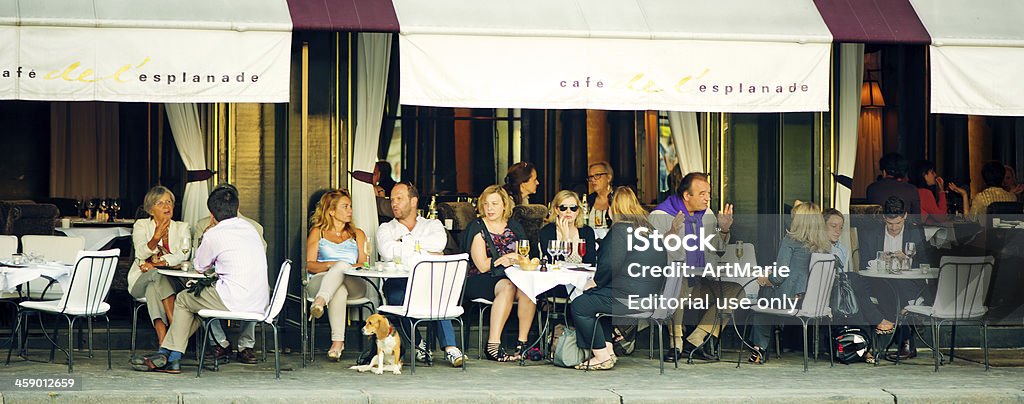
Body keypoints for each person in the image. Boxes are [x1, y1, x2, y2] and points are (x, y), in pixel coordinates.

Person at [132, 185, 268, 373]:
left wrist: (207, 237)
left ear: (211, 214)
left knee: (183, 299)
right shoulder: (251, 228)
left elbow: (199, 266)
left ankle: (171, 356)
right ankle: (167, 355)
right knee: (193, 307)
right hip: (260, 301)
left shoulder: (214, 233)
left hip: (233, 299)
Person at [570, 187, 666, 370]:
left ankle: (600, 356)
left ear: (613, 208)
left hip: (628, 298)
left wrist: (596, 282)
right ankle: (608, 350)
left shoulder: (621, 230)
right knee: (598, 302)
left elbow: (609, 265)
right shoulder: (650, 230)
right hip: (649, 298)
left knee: (581, 305)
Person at [377, 181, 466, 367]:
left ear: (413, 201)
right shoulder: (385, 229)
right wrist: (424, 252)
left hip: (428, 280)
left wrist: (404, 243)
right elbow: (388, 252)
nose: (394, 203)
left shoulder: (432, 225)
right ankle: (419, 345)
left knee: (439, 295)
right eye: (392, 199)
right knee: (397, 298)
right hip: (398, 281)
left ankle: (451, 348)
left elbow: (439, 244)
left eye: (399, 199)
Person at [649, 172, 735, 362]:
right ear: (687, 196)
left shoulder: (708, 215)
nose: (708, 198)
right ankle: (676, 342)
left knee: (735, 292)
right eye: (702, 194)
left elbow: (718, 249)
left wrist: (724, 230)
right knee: (679, 283)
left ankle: (696, 339)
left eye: (709, 193)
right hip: (668, 286)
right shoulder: (661, 215)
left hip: (701, 282)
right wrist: (670, 233)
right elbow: (653, 254)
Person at [747, 201, 832, 364]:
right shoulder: (825, 246)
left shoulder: (790, 241)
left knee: (762, 299)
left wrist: (765, 280)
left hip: (790, 301)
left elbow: (779, 276)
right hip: (814, 302)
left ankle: (759, 348)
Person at [192, 184, 267, 365]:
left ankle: (245, 346)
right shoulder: (202, 225)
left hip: (239, 282)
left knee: (192, 297)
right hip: (213, 278)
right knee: (199, 290)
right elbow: (197, 254)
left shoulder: (254, 227)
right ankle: (220, 342)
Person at [461, 185, 536, 362]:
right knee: (508, 287)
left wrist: (514, 258)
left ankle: (522, 344)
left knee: (528, 288)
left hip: (512, 276)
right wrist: (508, 257)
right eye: (486, 204)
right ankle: (493, 344)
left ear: (504, 205)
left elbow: (524, 257)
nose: (489, 208)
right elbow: (482, 265)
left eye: (494, 203)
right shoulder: (477, 227)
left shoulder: (514, 227)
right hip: (480, 279)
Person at [854, 196, 933, 361]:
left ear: (905, 216)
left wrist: (907, 259)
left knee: (893, 286)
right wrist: (882, 260)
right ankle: (908, 323)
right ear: (884, 218)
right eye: (890, 224)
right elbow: (863, 264)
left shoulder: (915, 232)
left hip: (907, 282)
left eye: (898, 223)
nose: (894, 228)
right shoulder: (871, 234)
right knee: (887, 286)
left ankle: (902, 330)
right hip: (879, 281)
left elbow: (925, 262)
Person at [305, 189, 369, 361]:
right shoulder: (318, 232)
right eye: (345, 206)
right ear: (331, 211)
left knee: (341, 268)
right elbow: (309, 265)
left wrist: (342, 267)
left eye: (350, 206)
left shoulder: (358, 234)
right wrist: (330, 265)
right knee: (339, 291)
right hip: (322, 281)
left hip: (354, 281)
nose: (350, 210)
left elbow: (365, 263)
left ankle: (320, 302)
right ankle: (337, 344)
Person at [128, 186, 190, 346]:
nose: (166, 206)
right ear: (151, 210)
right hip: (139, 280)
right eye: (160, 203)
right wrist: (155, 238)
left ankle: (164, 343)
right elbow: (141, 254)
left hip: (173, 282)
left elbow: (184, 254)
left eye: (169, 202)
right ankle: (177, 332)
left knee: (153, 287)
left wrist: (159, 264)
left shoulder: (182, 227)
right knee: (156, 277)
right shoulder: (141, 225)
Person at [539, 190, 597, 265]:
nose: (568, 211)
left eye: (573, 208)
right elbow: (552, 262)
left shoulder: (587, 231)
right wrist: (564, 237)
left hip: (581, 275)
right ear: (556, 210)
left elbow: (591, 262)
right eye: (563, 208)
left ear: (578, 211)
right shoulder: (547, 231)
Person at [586, 161, 614, 227]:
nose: (593, 180)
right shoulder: (588, 200)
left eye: (597, 175)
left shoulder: (619, 198)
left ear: (608, 178)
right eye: (590, 177)